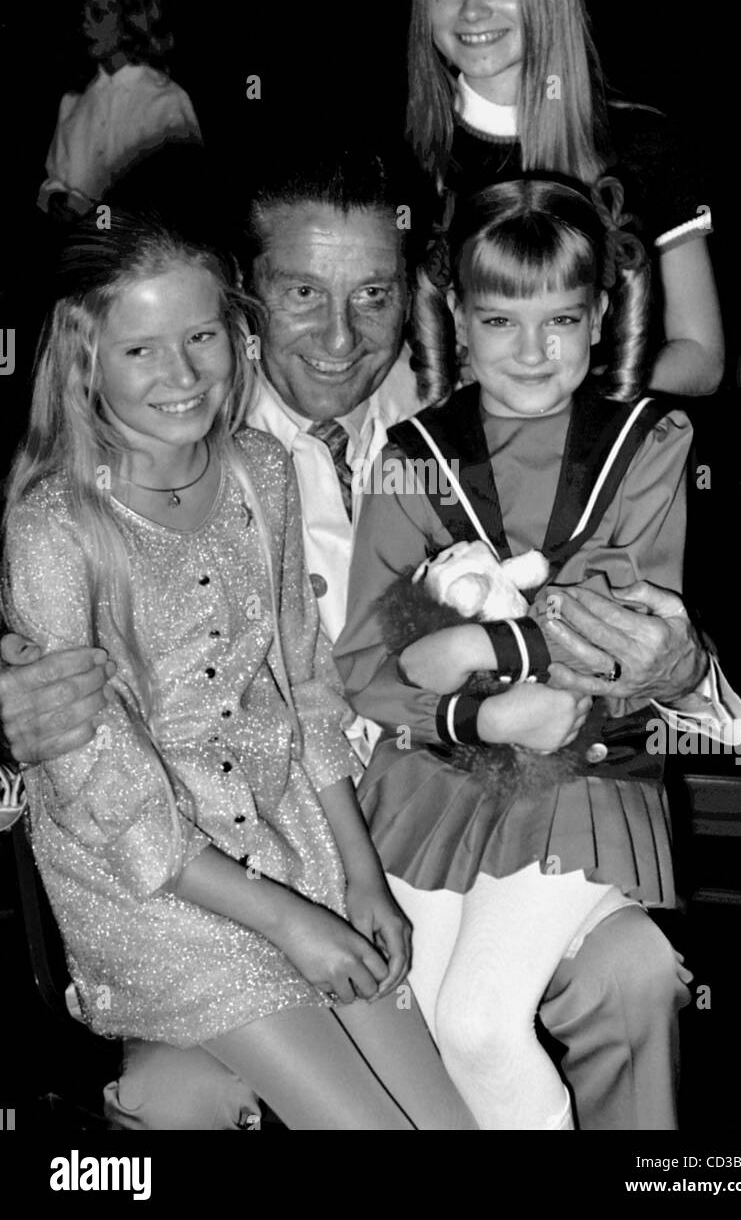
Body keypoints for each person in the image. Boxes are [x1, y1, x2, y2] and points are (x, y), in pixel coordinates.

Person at [0, 149, 727, 1130]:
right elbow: (70, 716)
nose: (340, 336)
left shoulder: (484, 404)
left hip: (474, 824)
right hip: (212, 866)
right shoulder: (107, 473)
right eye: (304, 290)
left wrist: (678, 669)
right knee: (202, 1095)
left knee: (628, 974)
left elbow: (646, 631)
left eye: (374, 292)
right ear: (251, 293)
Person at [1, 207, 478, 1131]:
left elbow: (305, 688)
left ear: (237, 334)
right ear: (85, 362)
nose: (181, 375)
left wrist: (360, 880)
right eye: (141, 350)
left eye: (201, 336)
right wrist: (291, 920)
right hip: (158, 895)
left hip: (294, 842)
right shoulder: (57, 528)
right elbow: (105, 788)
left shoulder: (260, 469)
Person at [334, 177, 741, 1129]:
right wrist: (471, 711)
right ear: (456, 317)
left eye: (561, 318)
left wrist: (479, 641)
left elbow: (619, 642)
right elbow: (365, 666)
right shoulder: (408, 452)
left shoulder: (644, 442)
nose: (532, 351)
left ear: (602, 315)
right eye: (500, 319)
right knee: (424, 1025)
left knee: (479, 1024)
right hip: (435, 779)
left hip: (581, 779)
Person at [407, 0, 725, 396]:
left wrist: (556, 401)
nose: (472, 8)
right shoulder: (401, 159)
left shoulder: (643, 143)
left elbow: (702, 357)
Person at [38, 0, 201, 224]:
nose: (85, 25)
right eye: (82, 14)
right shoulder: (73, 102)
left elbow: (185, 197)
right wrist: (54, 198)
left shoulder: (166, 100)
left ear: (127, 22)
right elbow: (53, 180)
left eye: (98, 14)